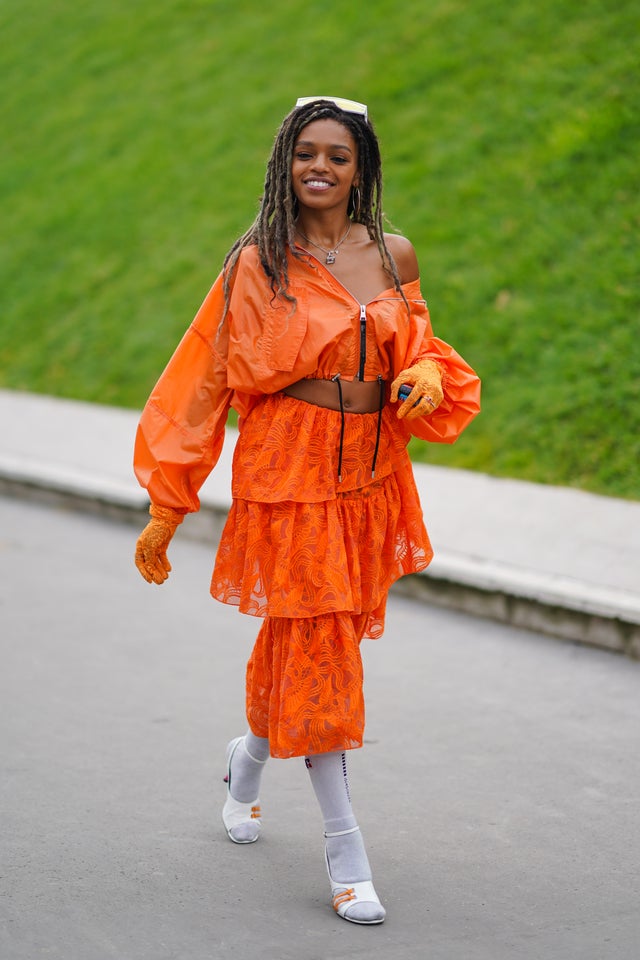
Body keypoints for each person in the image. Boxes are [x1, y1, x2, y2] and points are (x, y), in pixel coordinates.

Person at [133, 95, 481, 925]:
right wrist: (167, 502)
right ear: (284, 162)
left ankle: (246, 758)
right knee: (323, 649)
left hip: (369, 478)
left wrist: (428, 371)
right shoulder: (259, 260)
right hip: (286, 475)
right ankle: (344, 844)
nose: (319, 168)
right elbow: (202, 381)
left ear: (361, 168)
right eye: (305, 153)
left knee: (306, 638)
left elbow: (420, 343)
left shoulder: (393, 254)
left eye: (338, 155)